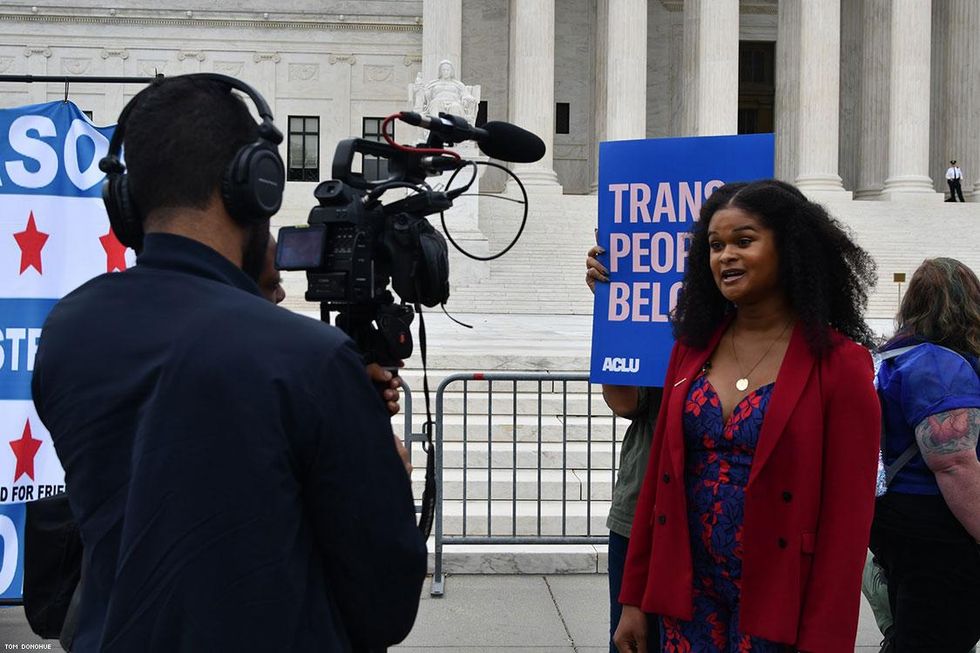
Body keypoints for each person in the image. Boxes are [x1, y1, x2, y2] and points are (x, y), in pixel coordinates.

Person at [30, 75, 427, 652]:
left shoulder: (68, 328)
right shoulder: (307, 359)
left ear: (125, 201)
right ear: (254, 186)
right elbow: (386, 608)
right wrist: (381, 463)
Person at [613, 179, 881, 653]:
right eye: (715, 245)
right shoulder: (690, 350)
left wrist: (825, 639)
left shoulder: (841, 364)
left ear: (789, 246)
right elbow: (658, 482)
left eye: (744, 240)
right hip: (687, 597)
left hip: (780, 602)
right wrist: (634, 599)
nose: (725, 256)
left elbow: (847, 523)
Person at [869, 257, 980, 652]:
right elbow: (954, 463)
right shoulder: (939, 364)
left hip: (893, 515)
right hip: (939, 525)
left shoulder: (890, 359)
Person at [586, 243, 665, 653]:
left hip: (719, 526)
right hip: (642, 513)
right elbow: (627, 401)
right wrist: (614, 312)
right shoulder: (671, 332)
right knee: (634, 639)